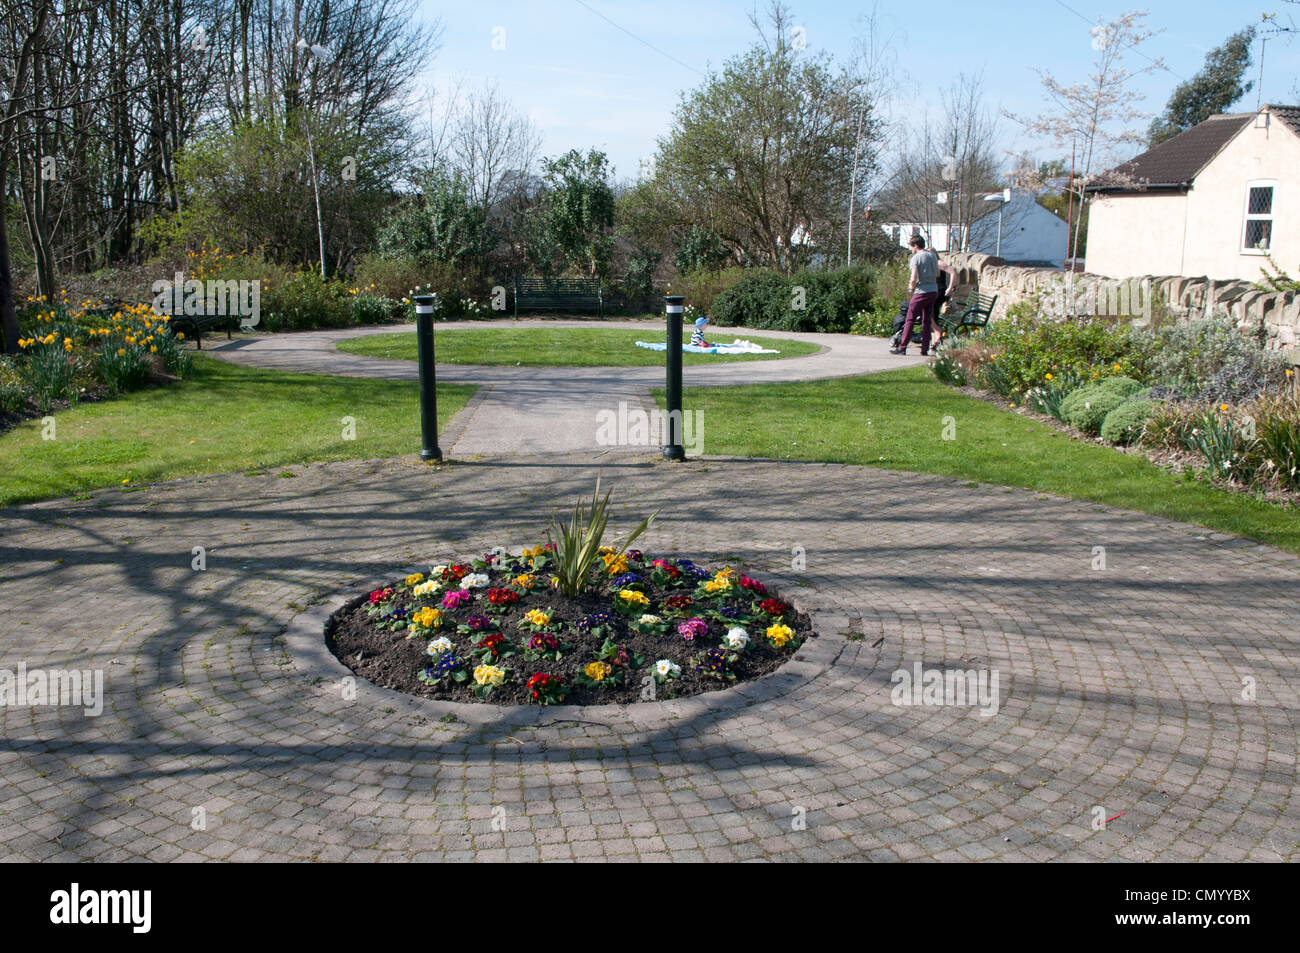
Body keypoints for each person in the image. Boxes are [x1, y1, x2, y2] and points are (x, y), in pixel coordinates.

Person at [891, 235, 955, 356]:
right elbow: (937, 273)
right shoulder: (932, 256)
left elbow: (913, 277)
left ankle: (902, 347)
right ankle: (924, 349)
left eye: (911, 247)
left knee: (910, 318)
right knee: (926, 321)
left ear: (915, 245)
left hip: (921, 291)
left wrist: (911, 286)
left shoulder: (916, 258)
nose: (911, 249)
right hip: (933, 291)